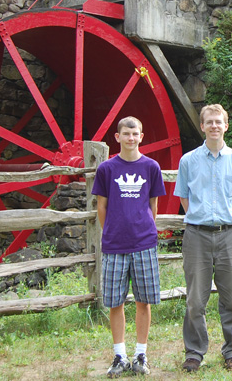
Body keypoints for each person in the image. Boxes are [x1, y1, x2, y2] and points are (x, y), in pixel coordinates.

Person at [174, 104, 232, 372]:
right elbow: (184, 198)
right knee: (195, 300)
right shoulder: (187, 161)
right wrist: (201, 218)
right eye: (209, 122)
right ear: (202, 126)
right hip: (196, 236)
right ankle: (194, 353)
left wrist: (226, 218)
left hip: (229, 235)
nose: (214, 126)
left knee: (231, 299)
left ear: (226, 126)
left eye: (219, 122)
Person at [92, 116, 166, 377]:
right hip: (114, 244)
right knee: (115, 302)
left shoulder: (151, 167)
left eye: (135, 134)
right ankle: (120, 355)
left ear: (141, 137)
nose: (131, 138)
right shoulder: (107, 169)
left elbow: (153, 206)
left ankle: (141, 354)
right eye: (126, 134)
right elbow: (102, 206)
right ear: (117, 137)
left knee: (143, 301)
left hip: (144, 242)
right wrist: (113, 229)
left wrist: (142, 227)